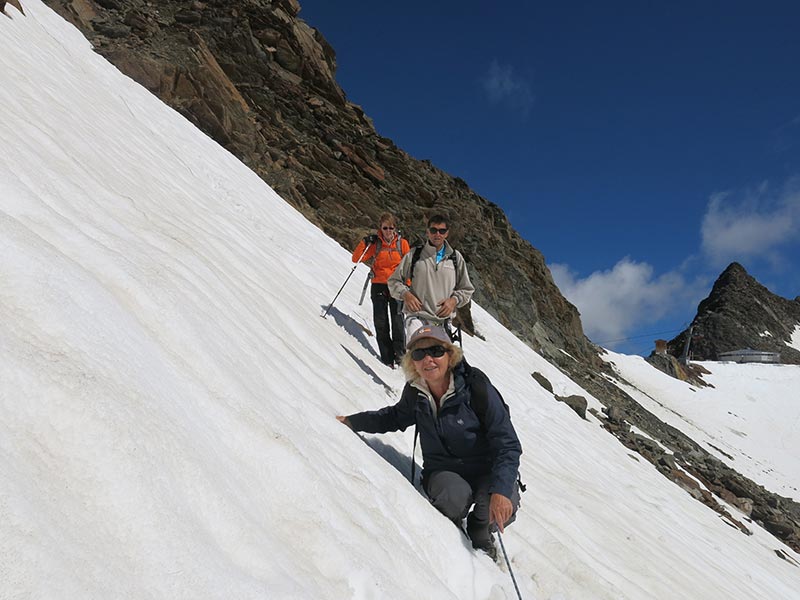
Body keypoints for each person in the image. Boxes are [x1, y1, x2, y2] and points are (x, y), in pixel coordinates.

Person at [336, 325, 522, 559]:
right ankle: (451, 532)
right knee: (453, 496)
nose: (428, 359)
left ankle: (479, 528)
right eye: (419, 354)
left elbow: (507, 443)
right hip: (445, 470)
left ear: (450, 355)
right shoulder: (416, 392)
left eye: (436, 350)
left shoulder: (476, 387)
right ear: (412, 362)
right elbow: (393, 417)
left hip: (486, 468)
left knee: (501, 501)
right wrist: (353, 422)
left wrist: (502, 490)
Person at [388, 214, 474, 341]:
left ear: (447, 233)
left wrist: (453, 301)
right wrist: (406, 295)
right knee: (418, 356)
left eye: (442, 231)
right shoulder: (415, 254)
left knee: (439, 360)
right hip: (417, 318)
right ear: (427, 232)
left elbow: (467, 289)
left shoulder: (455, 258)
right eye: (433, 230)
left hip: (443, 323)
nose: (437, 234)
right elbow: (394, 281)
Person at [352, 213, 410, 366]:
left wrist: (408, 285)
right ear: (380, 228)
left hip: (397, 286)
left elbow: (408, 266)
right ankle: (387, 358)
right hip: (378, 285)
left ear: (395, 228)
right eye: (385, 228)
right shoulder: (375, 244)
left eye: (391, 227)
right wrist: (364, 242)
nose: (388, 231)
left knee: (398, 322)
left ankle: (400, 357)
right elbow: (356, 258)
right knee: (381, 322)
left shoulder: (402, 244)